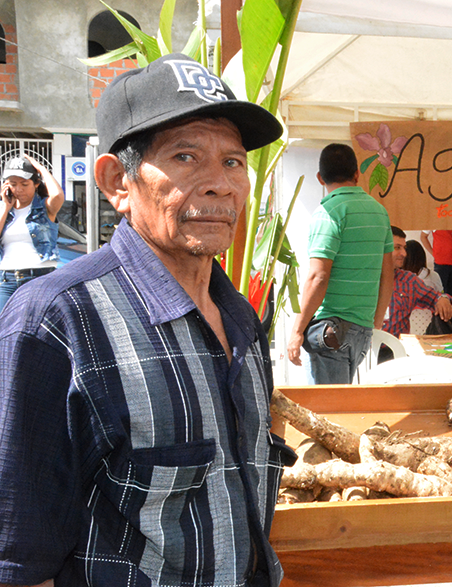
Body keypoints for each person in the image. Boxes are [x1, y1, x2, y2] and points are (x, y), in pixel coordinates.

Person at [0, 53, 291, 586]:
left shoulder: (243, 320)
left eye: (232, 162)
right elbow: (20, 558)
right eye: (185, 157)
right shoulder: (55, 322)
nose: (220, 185)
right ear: (117, 181)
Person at [287, 143, 394, 384]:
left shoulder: (327, 212)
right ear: (357, 174)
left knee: (327, 412)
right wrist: (375, 320)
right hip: (362, 327)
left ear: (319, 178)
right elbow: (387, 273)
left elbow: (318, 277)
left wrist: (296, 330)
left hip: (330, 329)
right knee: (340, 404)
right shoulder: (379, 212)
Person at [0, 154, 65, 310]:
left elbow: (57, 195)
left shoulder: (44, 208)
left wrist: (40, 168)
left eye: (24, 184)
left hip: (39, 277)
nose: (18, 189)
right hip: (6, 279)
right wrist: (5, 208)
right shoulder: (4, 210)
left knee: (38, 329)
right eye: (13, 184)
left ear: (36, 184)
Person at [382, 226, 452, 338]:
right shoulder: (359, 279)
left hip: (396, 351)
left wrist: (442, 299)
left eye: (404, 248)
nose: (404, 253)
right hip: (361, 350)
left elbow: (436, 297)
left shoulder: (409, 281)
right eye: (397, 247)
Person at [421, 228, 452, 300]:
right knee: (440, 295)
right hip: (441, 263)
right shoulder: (435, 220)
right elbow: (423, 236)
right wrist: (434, 253)